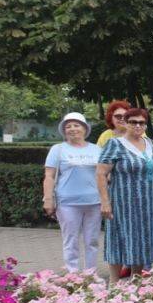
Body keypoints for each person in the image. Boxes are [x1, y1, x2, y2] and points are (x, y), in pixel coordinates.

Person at [96, 108, 153, 283]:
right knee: (118, 240)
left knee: (141, 241)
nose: (138, 125)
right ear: (125, 123)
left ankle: (136, 280)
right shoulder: (115, 144)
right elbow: (101, 173)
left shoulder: (149, 143)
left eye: (142, 122)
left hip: (148, 205)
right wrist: (105, 202)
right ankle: (114, 283)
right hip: (122, 204)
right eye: (133, 122)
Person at [43, 112, 101, 273]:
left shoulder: (96, 149)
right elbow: (49, 176)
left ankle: (91, 273)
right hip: (67, 203)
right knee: (71, 241)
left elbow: (104, 175)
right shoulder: (58, 149)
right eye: (68, 126)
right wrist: (48, 199)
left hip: (94, 202)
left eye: (76, 125)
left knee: (92, 241)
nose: (72, 129)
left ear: (84, 128)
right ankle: (72, 275)